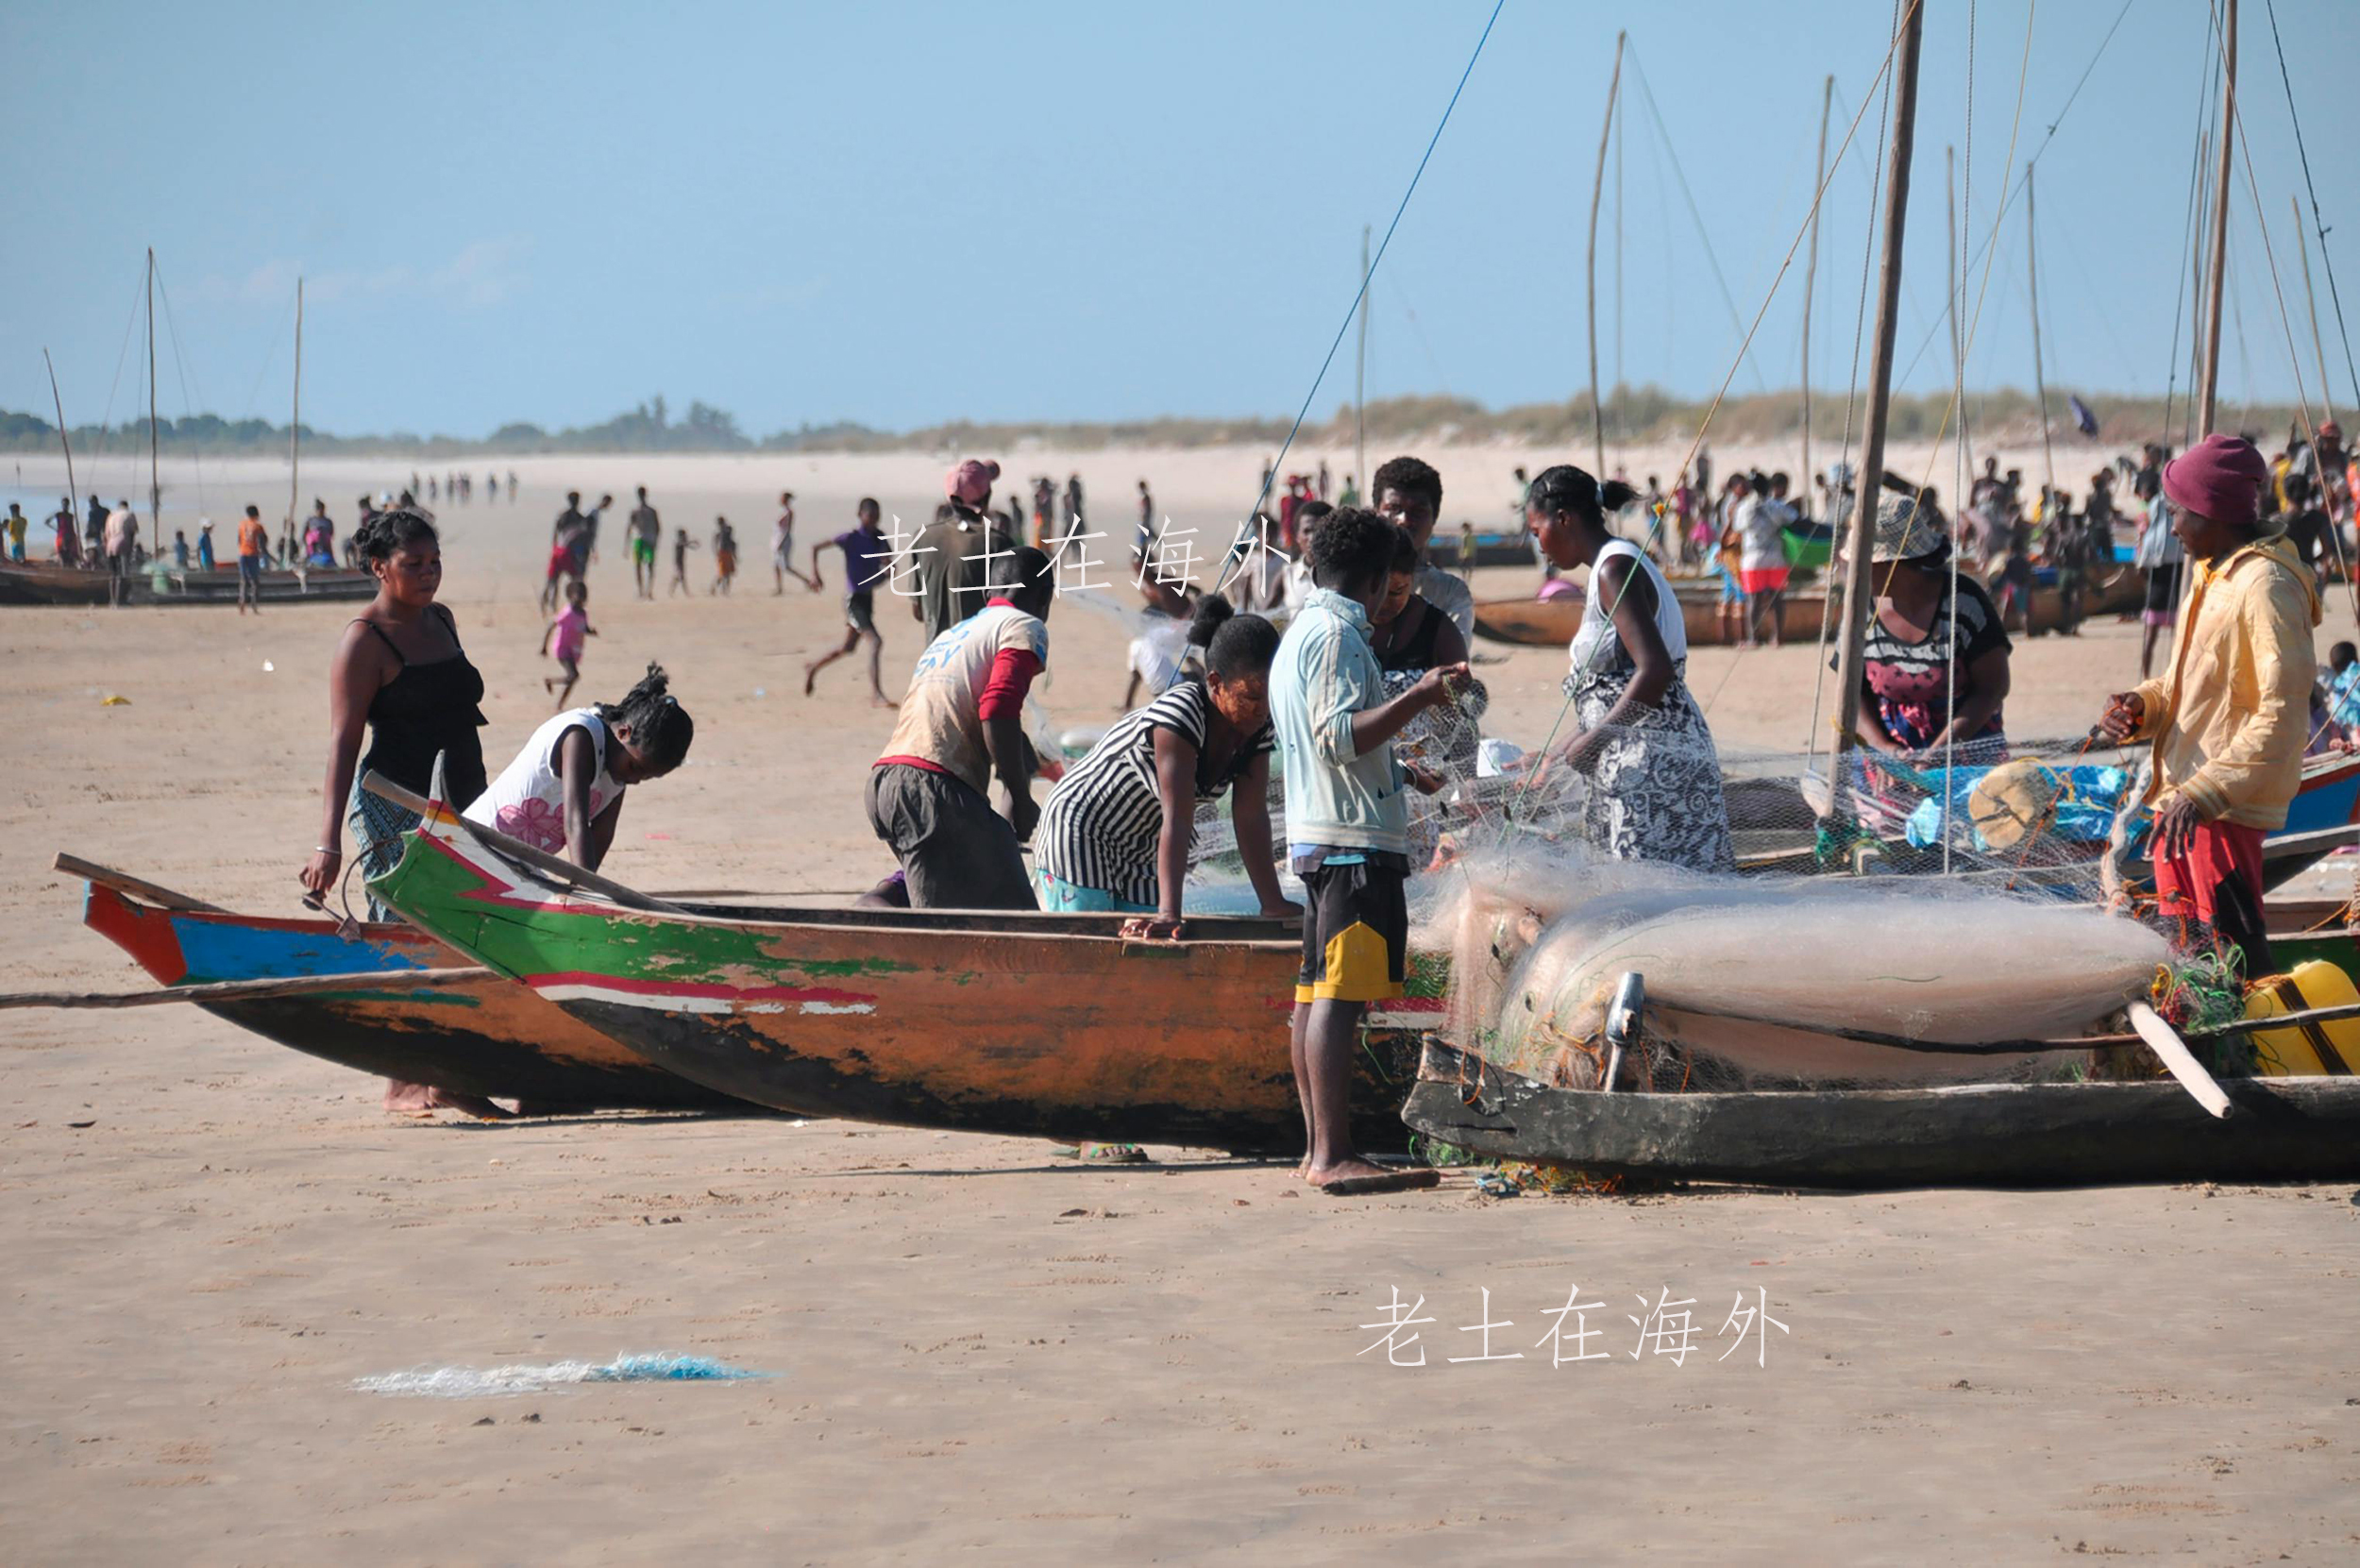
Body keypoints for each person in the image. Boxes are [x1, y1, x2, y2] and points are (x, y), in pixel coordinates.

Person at [1271, 506, 1464, 1193]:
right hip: (1351, 843)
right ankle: (1332, 1154)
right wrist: (1422, 693)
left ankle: (1318, 1148)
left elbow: (1336, 742)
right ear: (1381, 579)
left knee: (1317, 993)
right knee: (1338, 998)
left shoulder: (1301, 633)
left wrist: (1406, 772)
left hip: (1325, 834)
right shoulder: (1335, 637)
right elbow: (1339, 735)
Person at [298, 506, 500, 1119]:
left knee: (471, 929)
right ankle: (404, 1082)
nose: (429, 573)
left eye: (434, 561)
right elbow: (342, 742)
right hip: (394, 805)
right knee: (408, 933)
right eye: (413, 564)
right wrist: (328, 842)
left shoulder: (442, 620)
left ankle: (450, 1074)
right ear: (378, 567)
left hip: (462, 797)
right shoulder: (364, 641)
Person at [2098, 434, 2320, 977]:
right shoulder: (2211, 572)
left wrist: (2203, 793)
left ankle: (2255, 1049)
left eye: (2178, 513)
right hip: (2182, 805)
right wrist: (2139, 708)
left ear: (2211, 513)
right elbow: (2182, 684)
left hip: (2221, 809)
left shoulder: (2265, 586)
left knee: (2236, 954)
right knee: (2189, 953)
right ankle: (2209, 1044)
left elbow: (2282, 713)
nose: (2171, 527)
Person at [1035, 595, 1294, 931]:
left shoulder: (1257, 727)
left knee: (1141, 950)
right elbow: (1179, 817)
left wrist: (1272, 904)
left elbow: (1251, 815)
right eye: (1251, 696)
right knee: (1091, 943)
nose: (1262, 708)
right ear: (1215, 683)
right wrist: (1170, 913)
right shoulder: (1181, 715)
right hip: (1083, 828)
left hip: (1141, 843)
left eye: (1271, 695)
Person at [1526, 464, 1736, 872]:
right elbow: (1617, 692)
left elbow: (1655, 672)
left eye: (1538, 532)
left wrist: (1594, 742)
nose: (1540, 546)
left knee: (1653, 894)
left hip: (1653, 766)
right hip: (1635, 758)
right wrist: (1557, 752)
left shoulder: (1614, 569)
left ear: (1564, 518)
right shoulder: (1610, 565)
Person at [868, 547, 1055, 909]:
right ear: (1044, 598)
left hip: (887, 783)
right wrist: (1019, 793)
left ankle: (877, 902)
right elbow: (997, 708)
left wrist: (1024, 761)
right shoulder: (1023, 627)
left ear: (989, 594)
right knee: (1008, 914)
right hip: (934, 789)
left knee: (973, 876)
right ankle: (876, 911)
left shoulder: (954, 635)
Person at [1846, 494, 2014, 778]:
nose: (1854, 571)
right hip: (1887, 766)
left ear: (1892, 563)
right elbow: (1852, 694)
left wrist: (1937, 753)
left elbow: (1993, 688)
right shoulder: (1861, 608)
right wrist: (1887, 751)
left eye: (1864, 562)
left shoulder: (1963, 601)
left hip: (1965, 756)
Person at [465, 663, 694, 869]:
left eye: (645, 778)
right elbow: (576, 824)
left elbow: (602, 835)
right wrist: (584, 895)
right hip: (470, 846)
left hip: (516, 868)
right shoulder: (580, 735)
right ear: (624, 732)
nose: (634, 780)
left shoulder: (620, 767)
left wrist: (583, 892)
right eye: (635, 769)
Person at [1369, 526, 1486, 867]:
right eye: (1379, 592)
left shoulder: (1438, 631)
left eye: (1399, 592)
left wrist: (1463, 782)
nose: (1386, 604)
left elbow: (1461, 716)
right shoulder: (1348, 631)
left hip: (1416, 790)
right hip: (1359, 781)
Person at [1370, 454, 1475, 642]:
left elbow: (1453, 663)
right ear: (1377, 511)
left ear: (1434, 518)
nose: (1404, 521)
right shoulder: (1355, 581)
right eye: (1394, 509)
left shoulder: (1450, 592)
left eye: (1418, 512)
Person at [804, 497, 896, 707]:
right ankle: (877, 695)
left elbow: (889, 565)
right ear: (860, 515)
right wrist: (815, 574)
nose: (873, 521)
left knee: (848, 648)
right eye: (869, 516)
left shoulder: (879, 537)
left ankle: (813, 668)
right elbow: (815, 547)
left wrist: (888, 569)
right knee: (875, 641)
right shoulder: (850, 538)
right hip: (852, 600)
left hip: (867, 598)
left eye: (876, 517)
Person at [915, 458, 1016, 641]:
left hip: (933, 661)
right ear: (987, 496)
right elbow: (1011, 611)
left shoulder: (923, 537)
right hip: (977, 662)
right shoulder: (997, 544)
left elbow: (919, 611)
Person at [2132, 467, 2183, 680]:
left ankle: (2149, 673)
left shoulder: (2155, 529)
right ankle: (2164, 672)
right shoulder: (2175, 529)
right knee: (2172, 633)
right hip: (2172, 571)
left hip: (2160, 575)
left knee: (2153, 633)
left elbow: (2141, 565)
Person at [541, 579, 595, 710]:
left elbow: (584, 628)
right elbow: (551, 626)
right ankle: (558, 700)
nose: (578, 599)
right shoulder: (567, 612)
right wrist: (544, 646)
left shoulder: (583, 614)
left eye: (581, 596)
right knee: (574, 676)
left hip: (574, 650)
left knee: (572, 678)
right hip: (563, 649)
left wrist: (591, 631)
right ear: (570, 596)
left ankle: (558, 700)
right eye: (576, 596)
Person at [543, 493, 587, 613]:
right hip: (567, 552)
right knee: (569, 578)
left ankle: (550, 602)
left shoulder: (564, 516)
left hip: (562, 551)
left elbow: (555, 534)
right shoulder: (578, 518)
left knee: (554, 579)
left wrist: (554, 548)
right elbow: (582, 538)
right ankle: (552, 603)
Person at [771, 491, 814, 593]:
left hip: (784, 540)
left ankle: (807, 581)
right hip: (778, 538)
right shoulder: (783, 511)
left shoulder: (789, 512)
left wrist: (781, 542)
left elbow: (788, 529)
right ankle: (779, 588)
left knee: (786, 566)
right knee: (776, 565)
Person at [103, 497, 139, 607]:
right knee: (122, 574)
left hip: (110, 545)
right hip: (123, 544)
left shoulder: (111, 515)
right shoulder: (129, 514)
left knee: (113, 574)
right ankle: (120, 600)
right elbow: (133, 532)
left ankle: (112, 600)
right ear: (126, 506)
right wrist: (131, 548)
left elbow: (106, 534)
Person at [627, 486, 661, 599]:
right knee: (642, 566)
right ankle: (644, 591)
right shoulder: (641, 511)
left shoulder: (647, 511)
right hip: (644, 539)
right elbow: (658, 528)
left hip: (644, 539)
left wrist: (626, 545)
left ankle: (646, 591)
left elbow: (629, 528)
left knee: (644, 566)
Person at [710, 516, 737, 594]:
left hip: (727, 553)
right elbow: (715, 542)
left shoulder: (726, 531)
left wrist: (734, 554)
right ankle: (717, 589)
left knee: (727, 574)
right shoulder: (720, 533)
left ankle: (725, 590)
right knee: (723, 574)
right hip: (723, 553)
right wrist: (716, 552)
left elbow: (732, 543)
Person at [667, 526, 699, 596]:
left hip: (681, 562)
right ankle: (685, 592)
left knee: (679, 577)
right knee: (681, 577)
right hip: (678, 562)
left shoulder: (680, 541)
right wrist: (693, 542)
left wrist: (693, 545)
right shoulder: (678, 542)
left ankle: (672, 591)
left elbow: (687, 544)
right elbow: (685, 543)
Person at [50, 497, 79, 566]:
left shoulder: (71, 516)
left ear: (68, 505)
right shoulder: (59, 514)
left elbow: (72, 527)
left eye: (66, 504)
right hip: (61, 536)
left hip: (70, 536)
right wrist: (55, 528)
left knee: (73, 555)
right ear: (62, 505)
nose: (65, 506)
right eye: (64, 504)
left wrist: (75, 536)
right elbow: (47, 521)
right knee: (61, 553)